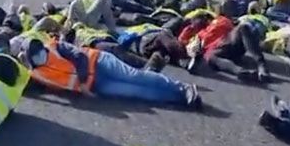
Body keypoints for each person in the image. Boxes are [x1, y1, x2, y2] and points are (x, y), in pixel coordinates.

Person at [28, 38, 202, 108]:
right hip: (97, 84)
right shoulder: (36, 73)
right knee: (138, 92)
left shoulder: (55, 46)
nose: (40, 56)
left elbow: (79, 56)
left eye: (39, 51)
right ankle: (181, 100)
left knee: (136, 76)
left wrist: (81, 84)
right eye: (35, 56)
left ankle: (184, 88)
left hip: (99, 62)